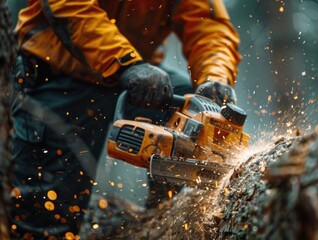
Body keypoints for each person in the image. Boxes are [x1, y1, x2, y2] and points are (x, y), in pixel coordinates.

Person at [8, 0, 241, 238]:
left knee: (193, 120)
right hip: (62, 74)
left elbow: (208, 23)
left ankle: (167, 219)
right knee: (47, 208)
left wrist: (215, 76)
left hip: (141, 77)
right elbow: (70, 5)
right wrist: (124, 62)